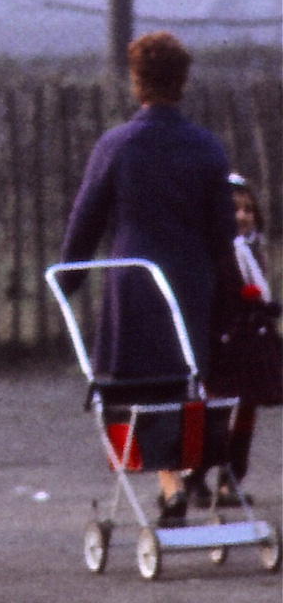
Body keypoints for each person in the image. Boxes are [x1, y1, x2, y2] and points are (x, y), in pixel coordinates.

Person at [58, 32, 236, 526]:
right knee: (184, 382)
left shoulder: (117, 145)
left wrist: (68, 278)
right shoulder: (206, 147)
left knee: (140, 389)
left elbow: (87, 217)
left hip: (134, 281)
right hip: (190, 281)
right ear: (183, 83)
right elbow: (223, 232)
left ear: (137, 83)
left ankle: (170, 484)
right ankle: (177, 479)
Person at [200, 173, 281, 506]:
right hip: (223, 340)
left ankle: (231, 476)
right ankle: (197, 473)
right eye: (234, 209)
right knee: (217, 405)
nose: (243, 216)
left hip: (249, 340)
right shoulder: (217, 252)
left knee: (247, 404)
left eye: (248, 209)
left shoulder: (252, 250)